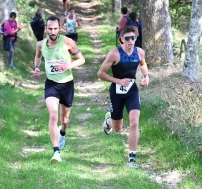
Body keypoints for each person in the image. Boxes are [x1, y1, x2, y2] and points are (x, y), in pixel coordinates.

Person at [33, 15, 85, 164]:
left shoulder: (68, 42)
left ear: (60, 28)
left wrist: (69, 65)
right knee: (53, 115)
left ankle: (63, 132)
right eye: (50, 29)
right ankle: (56, 152)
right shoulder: (40, 45)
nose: (53, 31)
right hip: (51, 85)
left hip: (67, 85)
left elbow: (82, 59)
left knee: (64, 120)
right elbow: (37, 57)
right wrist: (36, 67)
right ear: (46, 29)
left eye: (56, 28)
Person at [97, 26, 150, 167]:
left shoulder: (140, 52)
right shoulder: (114, 53)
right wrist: (118, 81)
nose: (130, 41)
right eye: (127, 38)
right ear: (121, 39)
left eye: (133, 38)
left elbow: (143, 65)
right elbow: (100, 73)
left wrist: (146, 76)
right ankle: (109, 120)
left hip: (132, 91)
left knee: (134, 122)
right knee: (117, 128)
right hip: (117, 91)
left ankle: (132, 158)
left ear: (135, 39)